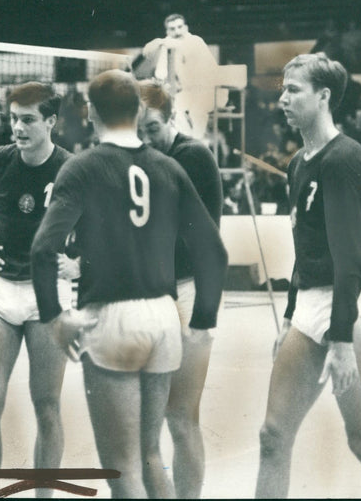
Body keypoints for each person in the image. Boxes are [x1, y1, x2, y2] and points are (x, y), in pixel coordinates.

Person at [31, 70, 228, 498]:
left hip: (111, 316)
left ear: (89, 112)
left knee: (122, 467)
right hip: (162, 313)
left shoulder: (81, 167)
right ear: (138, 111)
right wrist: (202, 321)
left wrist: (53, 316)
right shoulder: (169, 167)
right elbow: (214, 252)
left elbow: (43, 250)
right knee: (151, 455)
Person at [256, 53, 361, 499]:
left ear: (323, 97)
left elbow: (351, 260)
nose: (282, 98)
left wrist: (341, 341)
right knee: (272, 436)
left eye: (293, 90)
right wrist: (289, 318)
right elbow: (306, 250)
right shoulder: (300, 163)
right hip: (311, 301)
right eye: (282, 89)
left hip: (350, 303)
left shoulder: (344, 158)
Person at [0, 81, 76, 498]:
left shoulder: (71, 168)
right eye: (13, 119)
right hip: (1, 293)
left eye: (27, 120)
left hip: (48, 295)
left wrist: (81, 264)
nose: (17, 128)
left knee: (46, 404)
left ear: (51, 122)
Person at [138, 84, 223, 498]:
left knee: (181, 416)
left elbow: (210, 242)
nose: (147, 138)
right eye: (139, 130)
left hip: (187, 296)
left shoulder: (194, 157)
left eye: (153, 128)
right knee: (145, 422)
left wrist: (204, 316)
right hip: (146, 298)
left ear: (171, 118)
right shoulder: (131, 158)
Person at [142, 14, 219, 137]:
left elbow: (189, 50)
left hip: (204, 91)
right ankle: (189, 140)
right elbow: (148, 54)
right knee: (174, 109)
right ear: (167, 31)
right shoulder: (168, 44)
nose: (177, 32)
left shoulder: (195, 41)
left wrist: (167, 42)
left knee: (196, 113)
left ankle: (196, 141)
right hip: (184, 94)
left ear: (186, 28)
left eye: (180, 27)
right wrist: (161, 43)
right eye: (172, 29)